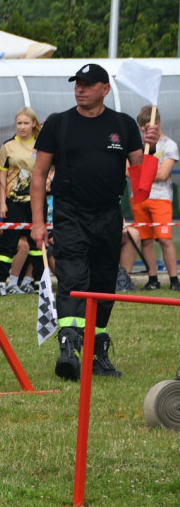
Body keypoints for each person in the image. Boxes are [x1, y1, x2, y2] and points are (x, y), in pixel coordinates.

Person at [31, 63, 156, 381]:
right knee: (73, 279)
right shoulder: (58, 124)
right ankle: (67, 349)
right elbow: (39, 176)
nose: (80, 89)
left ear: (105, 89)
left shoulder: (123, 125)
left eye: (88, 84)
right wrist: (37, 223)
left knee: (103, 284)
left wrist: (148, 145)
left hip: (108, 216)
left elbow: (140, 180)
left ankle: (96, 351)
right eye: (77, 83)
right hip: (69, 213)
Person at [0, 107, 43, 296]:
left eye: (26, 123)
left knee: (37, 243)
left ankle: (36, 281)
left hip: (36, 202)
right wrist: (2, 203)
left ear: (33, 124)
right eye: (19, 123)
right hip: (14, 200)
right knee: (9, 242)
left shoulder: (41, 144)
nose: (22, 127)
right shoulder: (8, 146)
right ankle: (2, 283)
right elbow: (2, 177)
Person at [129, 105, 178, 291]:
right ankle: (152, 279)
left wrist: (141, 173)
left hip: (161, 198)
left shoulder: (169, 145)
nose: (143, 131)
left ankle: (174, 280)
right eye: (140, 128)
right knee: (146, 240)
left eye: (145, 127)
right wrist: (147, 172)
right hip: (139, 198)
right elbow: (128, 170)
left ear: (156, 124)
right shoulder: (136, 146)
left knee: (165, 239)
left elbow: (164, 174)